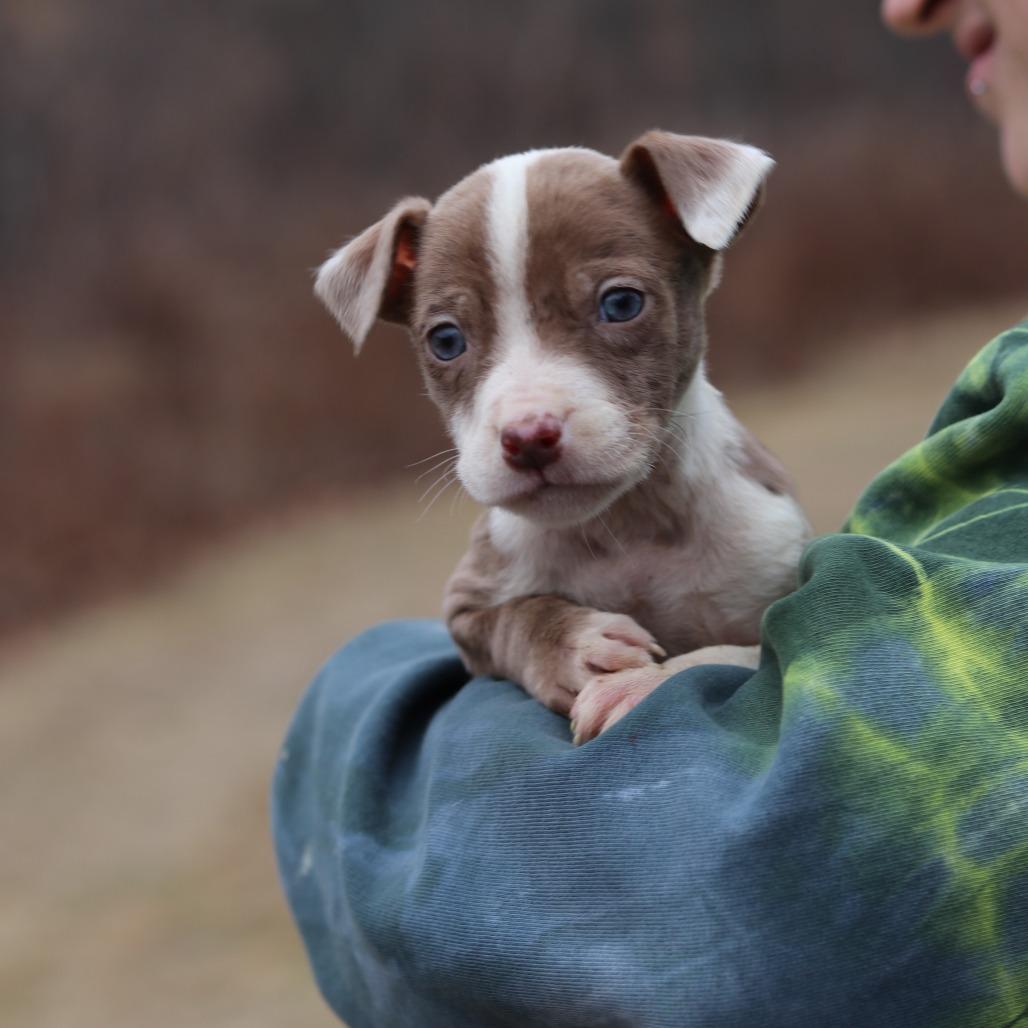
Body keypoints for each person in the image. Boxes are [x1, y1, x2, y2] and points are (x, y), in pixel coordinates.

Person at [273, 3, 1028, 1025]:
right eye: (452, 342)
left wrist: (705, 677)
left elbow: (821, 700)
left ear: (694, 252)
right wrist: (537, 634)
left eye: (614, 305)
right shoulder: (513, 548)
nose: (525, 416)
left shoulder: (757, 528)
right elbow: (472, 617)